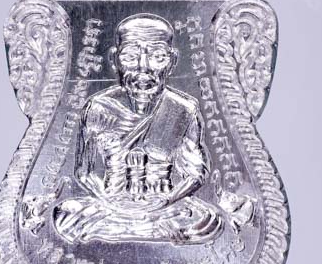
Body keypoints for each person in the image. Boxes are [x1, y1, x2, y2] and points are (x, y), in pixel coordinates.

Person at [53, 13, 222, 244]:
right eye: (131, 57)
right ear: (115, 60)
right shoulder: (99, 107)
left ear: (172, 61)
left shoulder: (182, 109)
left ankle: (129, 230)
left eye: (157, 57)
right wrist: (108, 199)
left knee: (206, 220)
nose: (144, 67)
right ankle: (147, 231)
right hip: (112, 205)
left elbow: (195, 174)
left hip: (163, 206)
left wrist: (166, 200)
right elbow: (84, 172)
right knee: (67, 214)